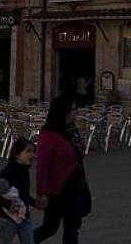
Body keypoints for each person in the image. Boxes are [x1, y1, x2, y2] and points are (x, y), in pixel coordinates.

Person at [33, 95, 89, 244]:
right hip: (57, 190)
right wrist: (41, 193)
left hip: (74, 186)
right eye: (74, 109)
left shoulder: (72, 131)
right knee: (50, 227)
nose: (77, 112)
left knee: (72, 228)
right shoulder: (48, 135)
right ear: (65, 111)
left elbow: (80, 153)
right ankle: (28, 240)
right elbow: (41, 166)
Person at [0, 139, 36, 244]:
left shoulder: (24, 170)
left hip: (23, 217)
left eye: (33, 152)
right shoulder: (9, 171)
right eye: (28, 151)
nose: (32, 155)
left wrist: (34, 203)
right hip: (8, 220)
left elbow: (23, 194)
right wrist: (7, 204)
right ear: (17, 154)